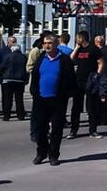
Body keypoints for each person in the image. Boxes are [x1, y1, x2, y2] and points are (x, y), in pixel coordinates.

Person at [29, 34, 75, 166]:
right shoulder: (40, 58)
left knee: (56, 129)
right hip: (41, 100)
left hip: (57, 101)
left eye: (50, 43)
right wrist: (35, 92)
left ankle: (53, 154)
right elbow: (35, 77)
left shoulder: (64, 60)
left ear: (56, 44)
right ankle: (41, 152)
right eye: (45, 43)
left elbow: (70, 79)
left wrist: (64, 94)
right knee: (40, 129)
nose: (47, 46)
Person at [69, 31, 103, 138]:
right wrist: (76, 48)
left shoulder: (93, 49)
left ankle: (93, 130)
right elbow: (71, 59)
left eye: (77, 38)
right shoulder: (78, 50)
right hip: (78, 81)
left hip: (90, 80)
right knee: (76, 107)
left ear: (82, 38)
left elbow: (101, 62)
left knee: (91, 106)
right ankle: (73, 130)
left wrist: (97, 75)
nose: (76, 40)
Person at [0, 44, 27, 121]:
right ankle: (20, 115)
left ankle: (6, 116)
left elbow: (2, 66)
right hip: (20, 80)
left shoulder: (7, 56)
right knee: (19, 99)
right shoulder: (23, 57)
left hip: (8, 80)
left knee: (8, 99)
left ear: (12, 50)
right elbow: (26, 69)